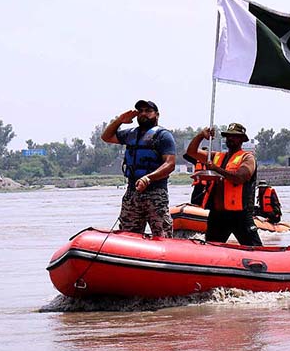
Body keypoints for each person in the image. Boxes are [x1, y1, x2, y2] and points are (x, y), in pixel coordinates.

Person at [101, 100, 176, 237]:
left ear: (157, 115)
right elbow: (106, 137)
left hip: (155, 193)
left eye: (148, 111)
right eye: (140, 111)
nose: (143, 114)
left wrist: (148, 178)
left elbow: (170, 164)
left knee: (162, 233)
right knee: (127, 234)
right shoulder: (130, 134)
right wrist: (119, 120)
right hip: (132, 193)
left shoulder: (163, 136)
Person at [186, 122, 262, 246]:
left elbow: (240, 177)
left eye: (235, 136)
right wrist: (201, 136)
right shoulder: (216, 156)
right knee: (211, 249)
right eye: (228, 136)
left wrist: (216, 169)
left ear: (242, 139)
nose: (231, 138)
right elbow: (191, 152)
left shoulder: (247, 158)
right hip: (218, 215)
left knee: (255, 249)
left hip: (240, 214)